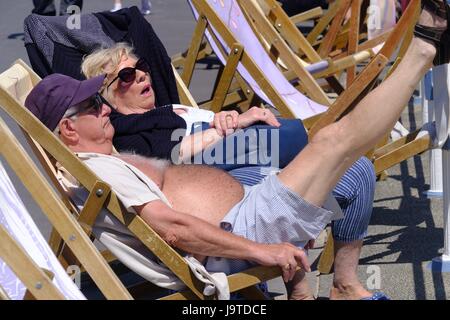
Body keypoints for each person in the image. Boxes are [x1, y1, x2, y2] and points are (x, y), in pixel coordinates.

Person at [25, 0, 447, 300]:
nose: (102, 107)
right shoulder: (101, 171)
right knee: (334, 141)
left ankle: (426, 48)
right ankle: (424, 47)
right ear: (67, 129)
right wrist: (263, 252)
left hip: (247, 205)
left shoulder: (108, 154)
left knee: (343, 153)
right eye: (93, 103)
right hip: (242, 228)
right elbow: (173, 229)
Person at [81, 43, 377, 299]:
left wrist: (225, 119)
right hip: (234, 206)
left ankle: (338, 285)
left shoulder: (167, 112)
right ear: (106, 100)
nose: (142, 75)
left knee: (357, 169)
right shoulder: (129, 134)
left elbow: (207, 135)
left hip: (253, 173)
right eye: (126, 76)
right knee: (355, 173)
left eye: (141, 67)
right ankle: (333, 287)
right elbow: (172, 162)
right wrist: (229, 129)